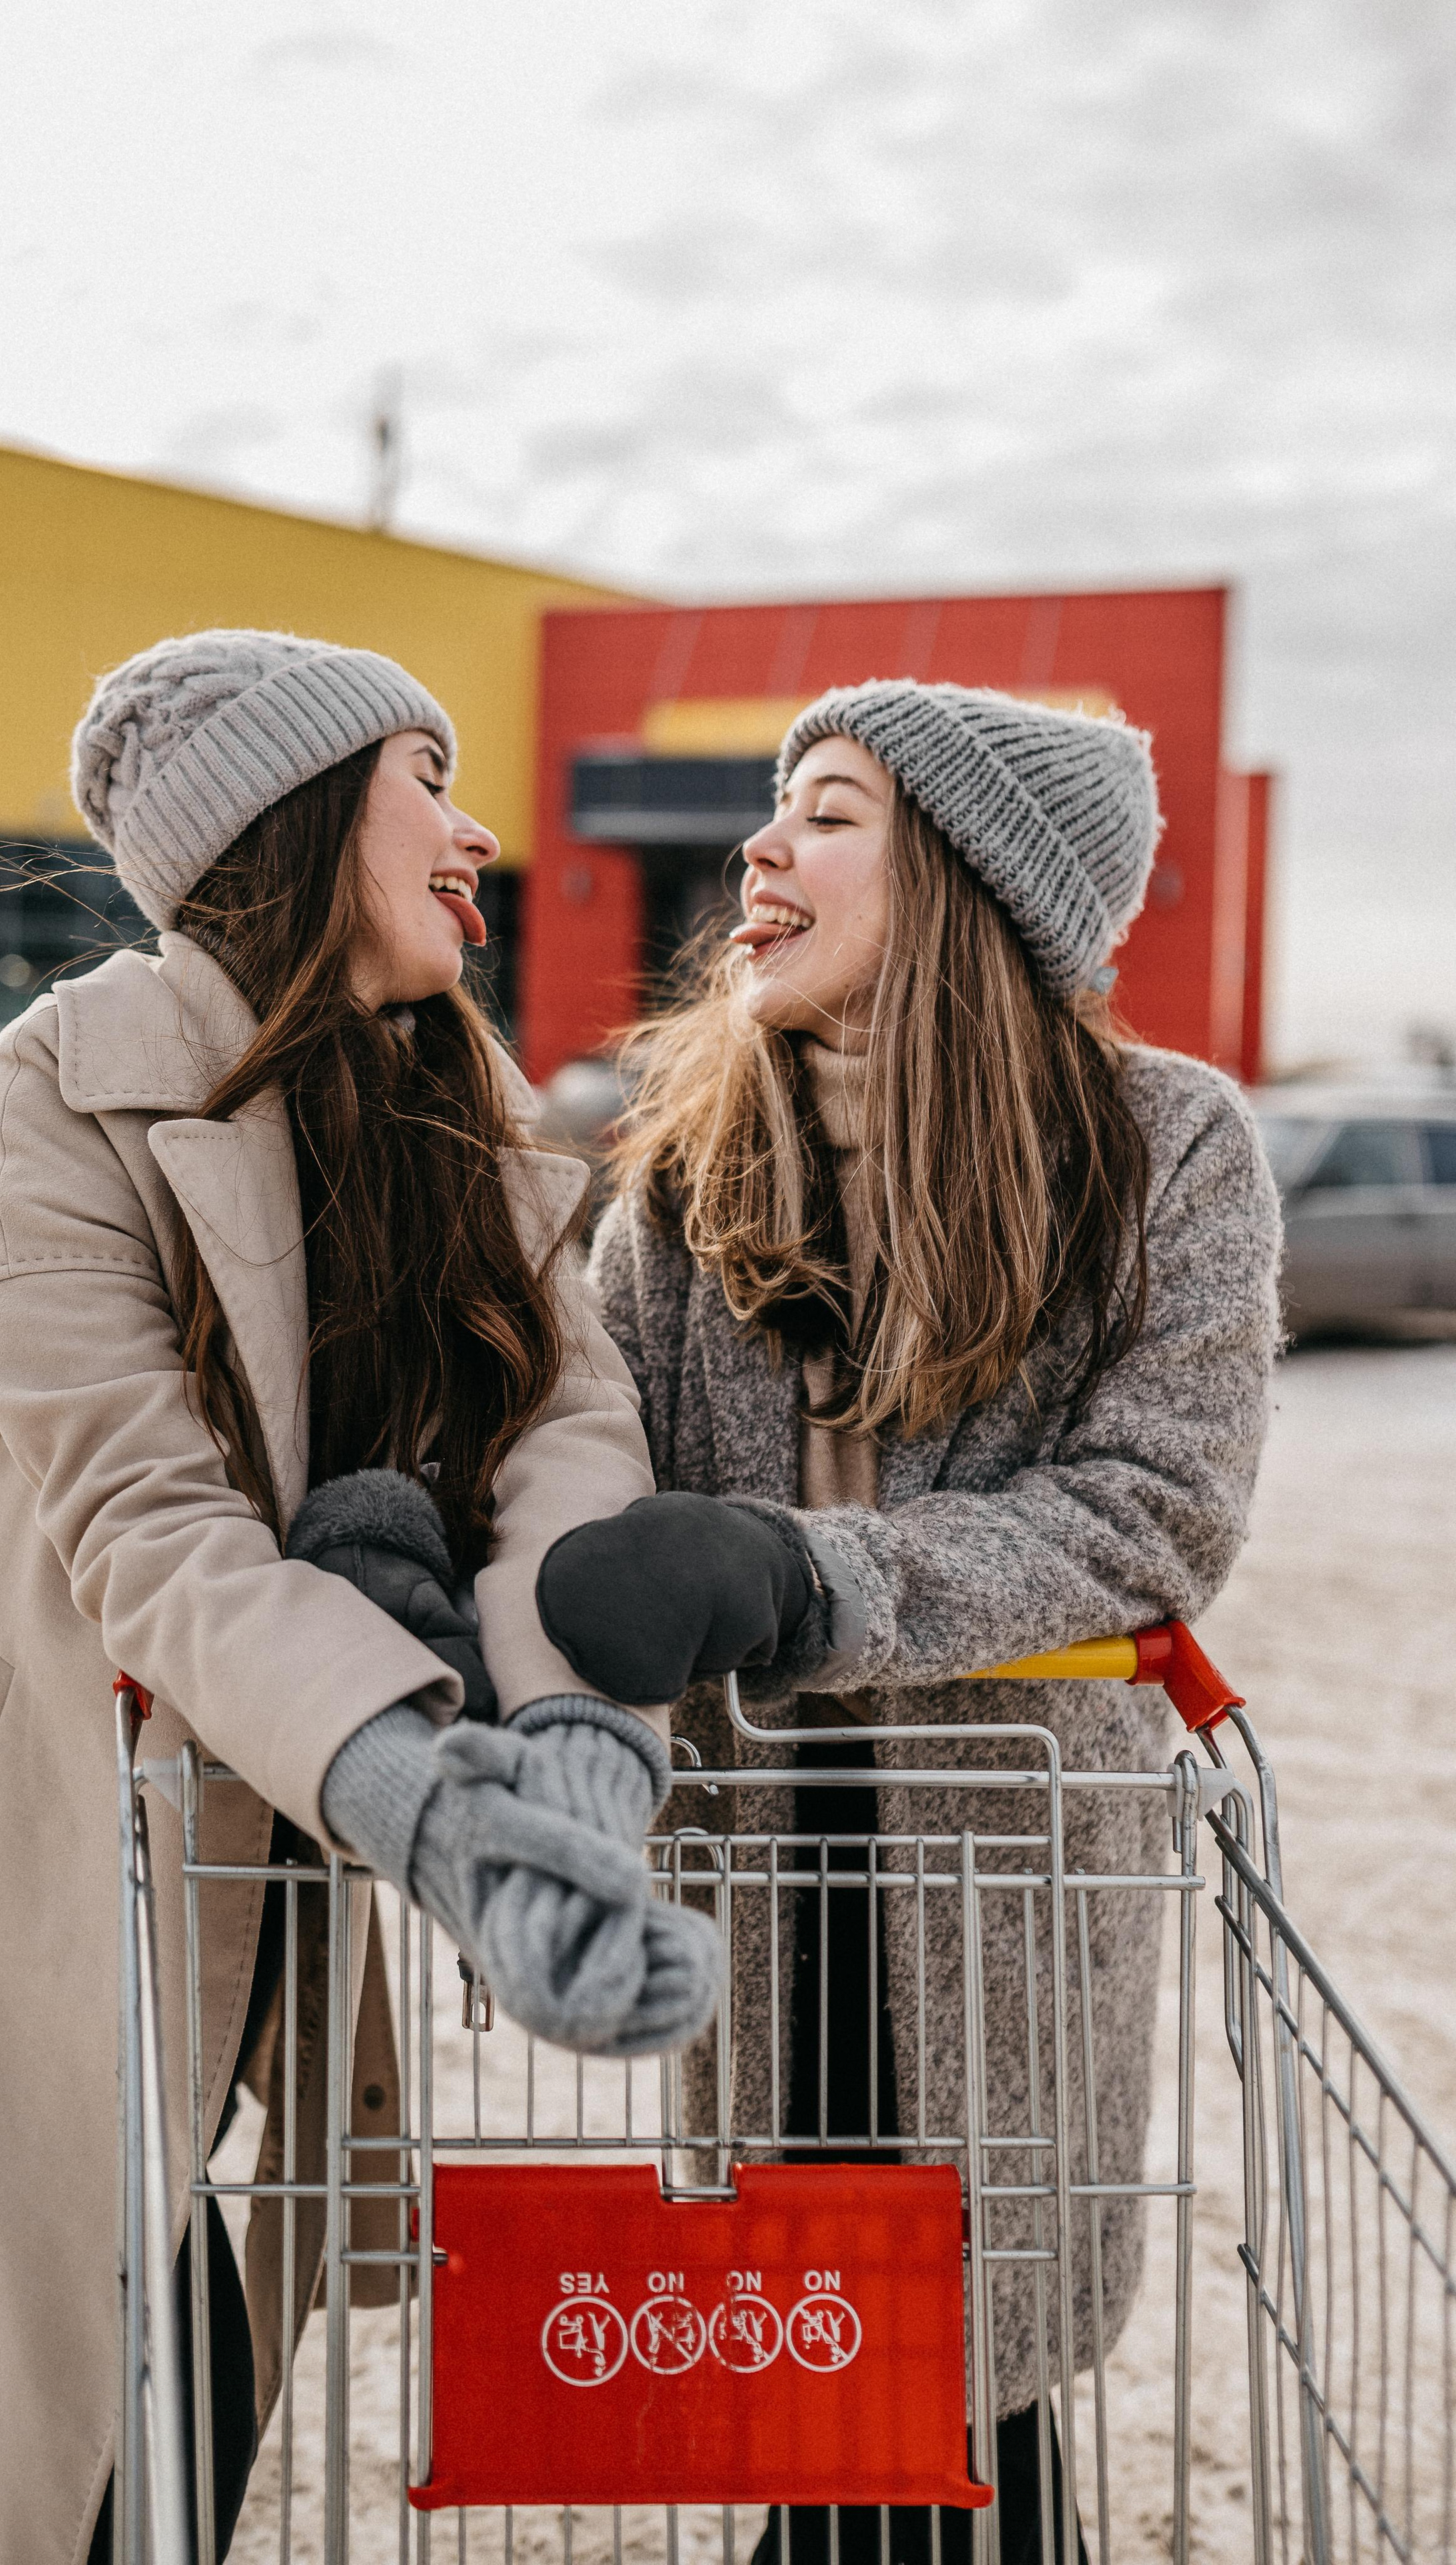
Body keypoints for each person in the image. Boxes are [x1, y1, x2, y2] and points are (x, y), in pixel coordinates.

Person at [0, 630, 717, 2565]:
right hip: (73, 1761)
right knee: (80, 2339)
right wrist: (427, 1796)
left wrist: (572, 1755)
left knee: (240, 2303)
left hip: (299, 1759)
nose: (481, 827)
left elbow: (569, 1423)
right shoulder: (61, 1084)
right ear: (296, 816)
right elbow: (141, 1519)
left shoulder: (457, 1093)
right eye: (429, 774)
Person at [537, 679, 1281, 2564]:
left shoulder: (1162, 1149)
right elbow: (586, 1465)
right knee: (815, 2392)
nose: (761, 851)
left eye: (833, 810)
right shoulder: (692, 1158)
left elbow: (1152, 1516)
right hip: (757, 1868)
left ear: (969, 877)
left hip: (1011, 1883)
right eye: (775, 810)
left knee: (972, 2381)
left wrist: (814, 1579)